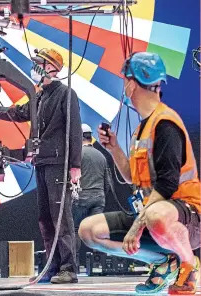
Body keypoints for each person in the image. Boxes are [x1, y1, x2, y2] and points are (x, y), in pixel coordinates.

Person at [79, 52, 201, 295]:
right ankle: (162, 262)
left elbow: (166, 186)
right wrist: (113, 148)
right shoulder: (141, 128)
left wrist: (136, 226)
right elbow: (131, 178)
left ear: (133, 83)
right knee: (88, 230)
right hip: (154, 216)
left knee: (155, 215)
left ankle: (189, 263)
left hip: (187, 219)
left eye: (125, 79)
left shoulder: (165, 124)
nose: (124, 84)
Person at [0, 48, 82, 283]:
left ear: (51, 67)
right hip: (42, 162)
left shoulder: (66, 94)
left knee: (60, 217)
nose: (33, 68)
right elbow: (18, 112)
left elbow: (74, 130)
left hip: (58, 163)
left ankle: (69, 268)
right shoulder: (39, 96)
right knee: (45, 217)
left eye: (38, 63)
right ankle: (52, 266)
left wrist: (75, 165)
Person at [73, 124, 109, 270]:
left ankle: (73, 265)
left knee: (74, 230)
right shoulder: (101, 156)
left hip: (81, 197)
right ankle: (99, 265)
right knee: (97, 231)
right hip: (98, 197)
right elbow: (107, 182)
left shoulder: (77, 156)